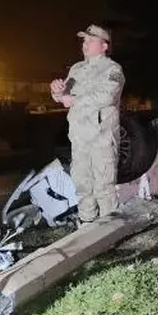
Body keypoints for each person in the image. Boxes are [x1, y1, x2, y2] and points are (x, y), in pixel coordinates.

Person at [51, 24, 125, 223]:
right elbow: (65, 95)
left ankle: (109, 232)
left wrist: (74, 100)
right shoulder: (76, 69)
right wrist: (57, 91)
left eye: (91, 41)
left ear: (104, 46)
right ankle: (86, 229)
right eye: (84, 40)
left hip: (102, 137)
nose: (85, 44)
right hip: (79, 137)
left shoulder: (113, 69)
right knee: (83, 185)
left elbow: (107, 95)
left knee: (104, 187)